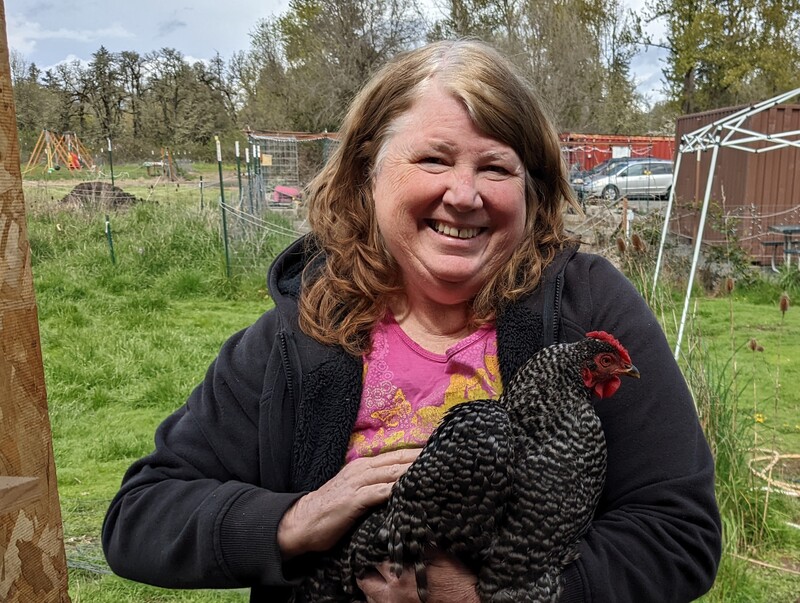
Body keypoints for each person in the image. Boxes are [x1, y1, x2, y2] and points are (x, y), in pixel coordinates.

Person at [102, 39, 721, 602]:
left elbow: (676, 532)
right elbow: (140, 516)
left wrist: (505, 596)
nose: (464, 193)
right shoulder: (303, 332)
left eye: (496, 167)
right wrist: (295, 519)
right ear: (367, 172)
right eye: (433, 159)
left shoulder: (586, 310)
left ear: (530, 190)